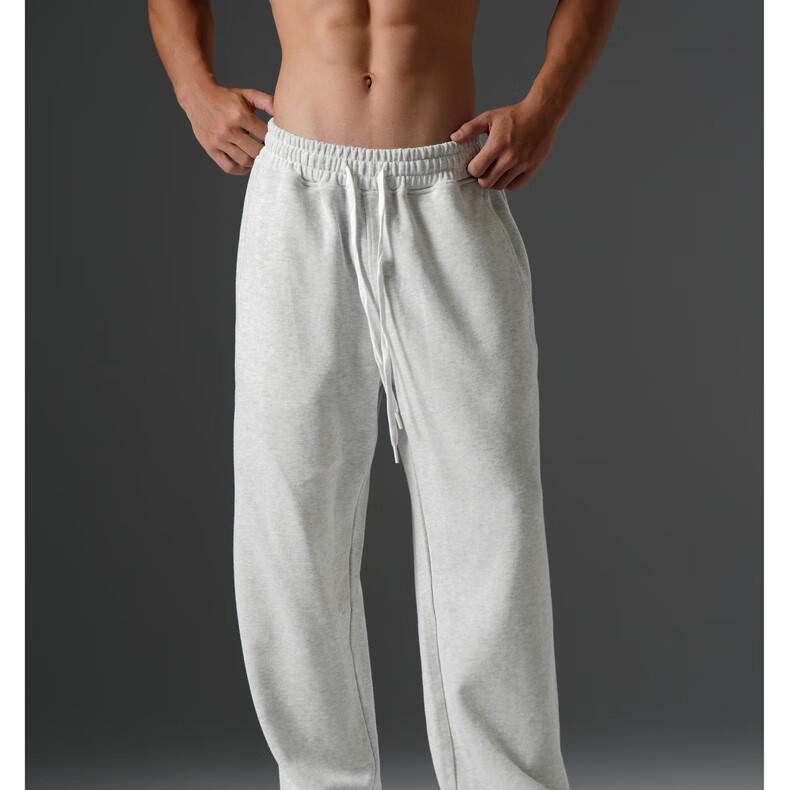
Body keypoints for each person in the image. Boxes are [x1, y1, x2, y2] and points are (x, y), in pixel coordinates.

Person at [149, 1, 619, 787]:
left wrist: (546, 107)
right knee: (288, 517)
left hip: (449, 187)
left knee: (492, 513)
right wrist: (191, 87)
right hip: (299, 191)